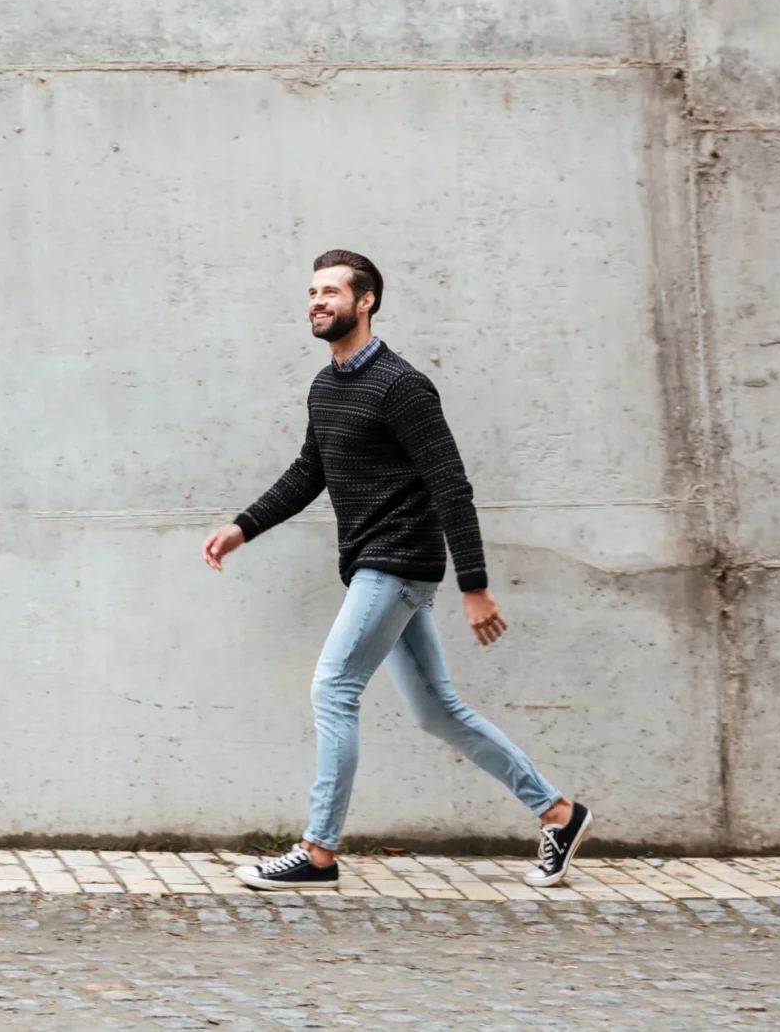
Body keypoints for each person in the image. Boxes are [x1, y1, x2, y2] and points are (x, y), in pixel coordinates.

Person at [202, 249, 592, 890]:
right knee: (436, 710)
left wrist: (475, 585)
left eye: (331, 291)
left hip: (397, 561)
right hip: (374, 566)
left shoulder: (402, 385)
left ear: (367, 301)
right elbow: (310, 472)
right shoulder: (326, 386)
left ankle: (318, 853)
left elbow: (450, 484)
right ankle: (557, 811)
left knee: (333, 689)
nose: (317, 301)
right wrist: (243, 527)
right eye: (311, 292)